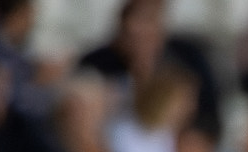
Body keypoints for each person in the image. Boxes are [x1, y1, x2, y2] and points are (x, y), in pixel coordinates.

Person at [78, 0, 222, 139]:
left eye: (148, 26)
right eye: (132, 35)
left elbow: (208, 115)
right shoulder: (98, 65)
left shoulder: (187, 61)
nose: (140, 40)